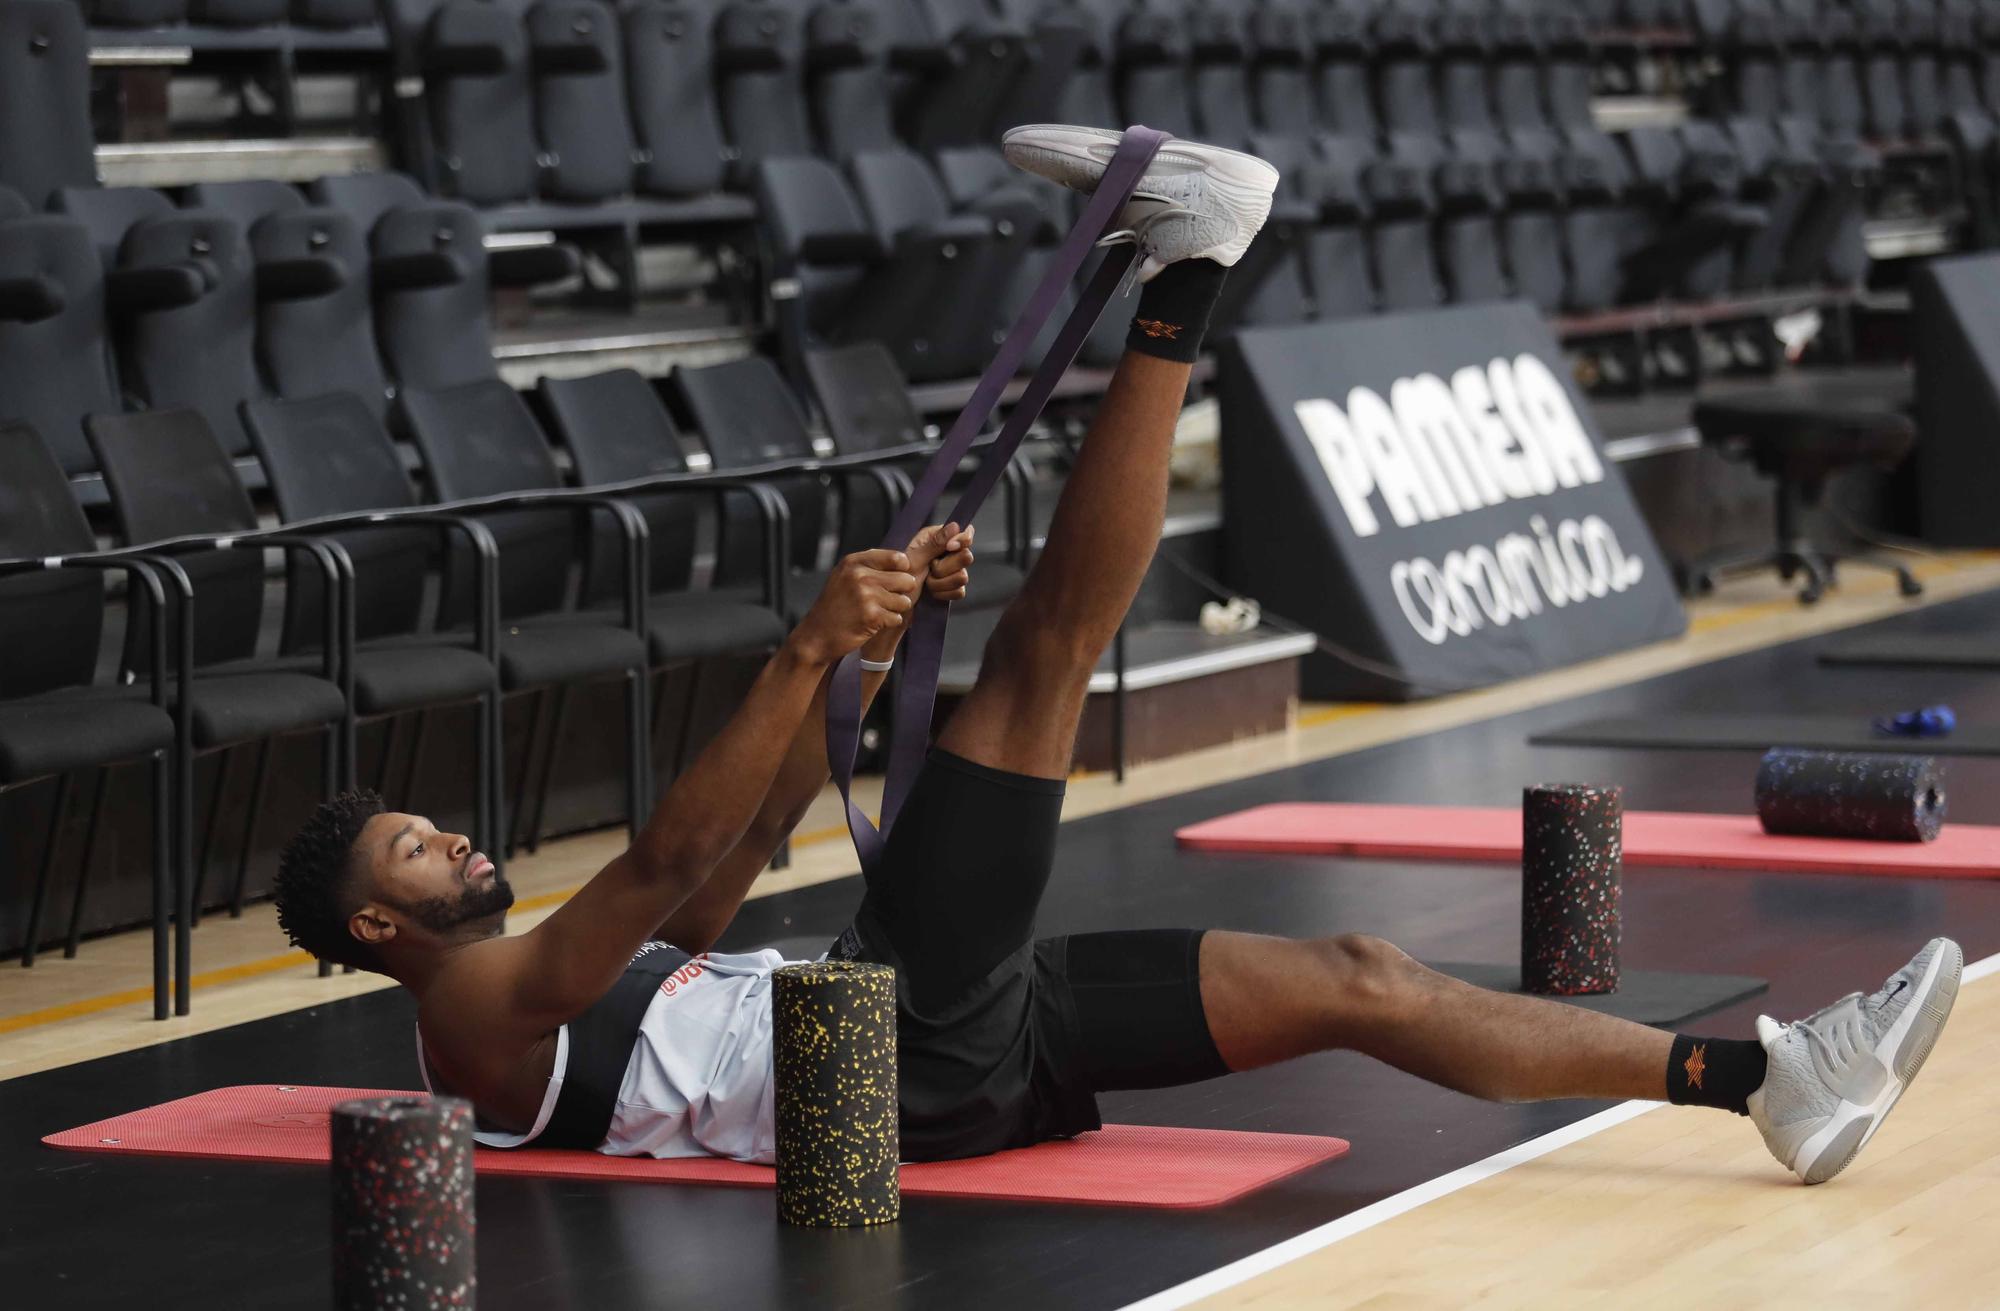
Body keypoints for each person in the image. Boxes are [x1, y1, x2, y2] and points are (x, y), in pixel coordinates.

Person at [275, 126, 1960, 1185]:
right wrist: (808, 645)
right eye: (414, 851)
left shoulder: (549, 986)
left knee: (1358, 977)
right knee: (1043, 662)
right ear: (375, 927)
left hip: (920, 1044)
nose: (453, 842)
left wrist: (851, 673)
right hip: (889, 1049)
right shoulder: (477, 1020)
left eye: (431, 828)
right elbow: (655, 861)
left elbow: (718, 866)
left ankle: (1770, 1084)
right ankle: (1193, 258)